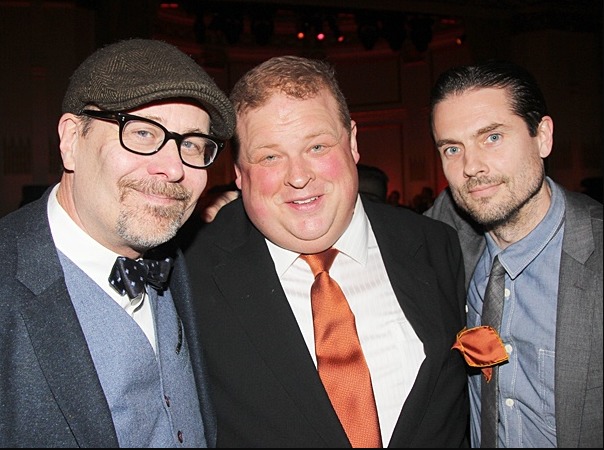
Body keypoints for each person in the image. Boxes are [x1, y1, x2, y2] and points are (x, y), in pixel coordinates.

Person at [183, 55, 469, 447]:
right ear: (238, 171)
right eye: (270, 156)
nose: (299, 177)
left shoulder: (435, 245)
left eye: (317, 146)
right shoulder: (188, 280)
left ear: (352, 143)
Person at [0, 38, 236, 447]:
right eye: (142, 133)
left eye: (192, 144)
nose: (172, 167)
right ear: (72, 140)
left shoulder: (193, 263)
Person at [426, 60, 602, 448]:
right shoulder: (446, 240)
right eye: (452, 148)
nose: (472, 166)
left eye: (492, 138)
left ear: (543, 137)